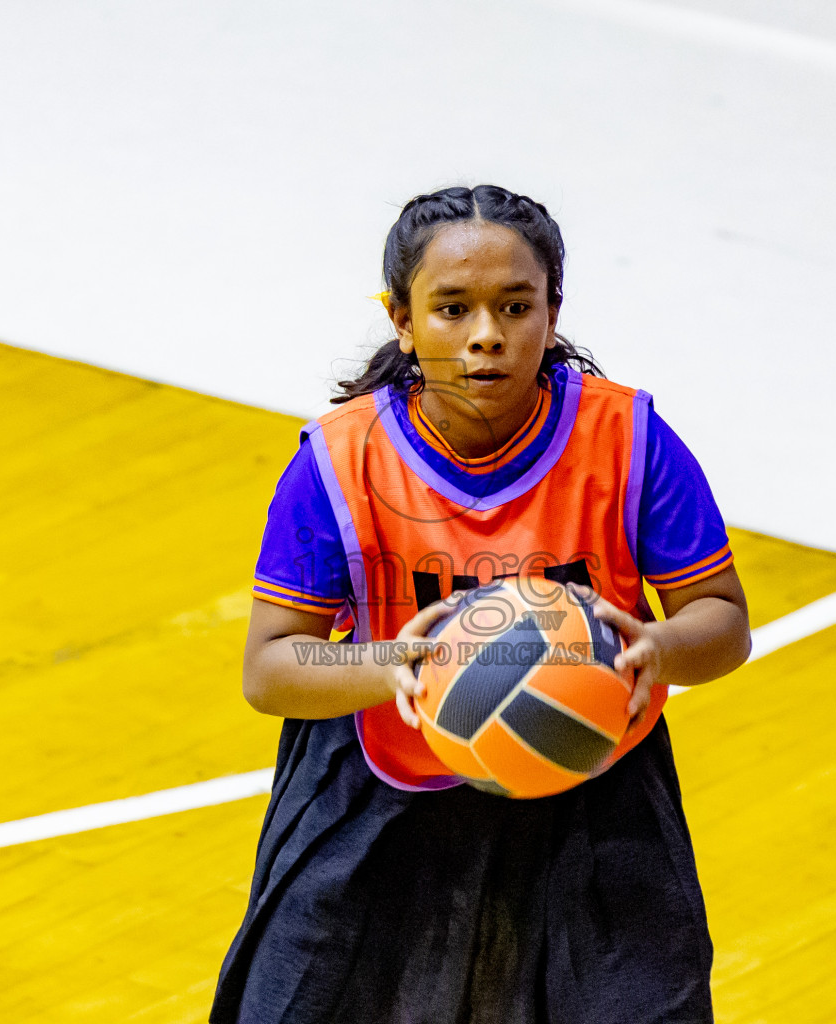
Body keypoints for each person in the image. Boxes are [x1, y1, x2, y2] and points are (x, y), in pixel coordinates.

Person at [210, 184, 751, 1024]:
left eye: (515, 306)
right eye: (451, 309)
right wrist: (394, 662)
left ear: (553, 311)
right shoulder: (338, 460)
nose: (487, 335)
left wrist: (658, 646)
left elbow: (721, 618)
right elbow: (271, 669)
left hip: (593, 793)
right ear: (402, 319)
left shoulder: (630, 439)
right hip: (382, 800)